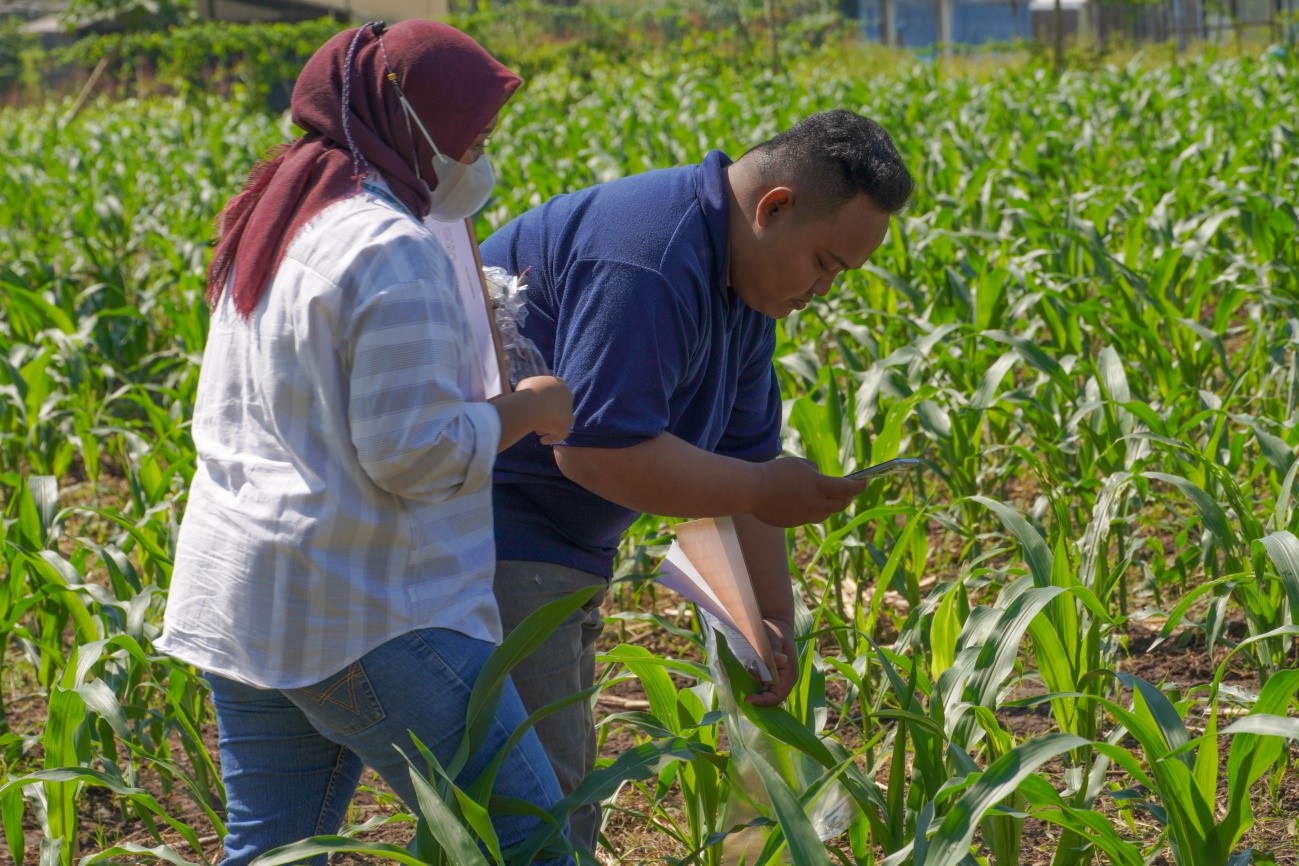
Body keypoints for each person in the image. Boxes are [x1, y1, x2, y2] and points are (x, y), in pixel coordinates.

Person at [157, 20, 576, 866]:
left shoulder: (280, 217)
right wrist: (526, 409)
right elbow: (413, 454)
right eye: (473, 139)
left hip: (240, 593)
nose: (480, 158)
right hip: (361, 611)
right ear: (410, 127)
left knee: (273, 848)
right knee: (525, 839)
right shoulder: (392, 247)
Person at [480, 109, 914, 853]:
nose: (822, 291)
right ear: (772, 207)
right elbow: (591, 452)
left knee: (551, 797)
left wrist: (770, 619)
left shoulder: (744, 291)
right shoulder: (649, 255)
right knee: (541, 812)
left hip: (559, 547)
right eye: (823, 264)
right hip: (489, 534)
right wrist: (759, 490)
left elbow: (745, 465)